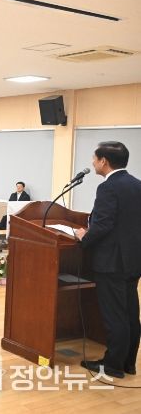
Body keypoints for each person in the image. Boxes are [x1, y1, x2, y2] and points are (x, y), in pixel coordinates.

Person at [76, 141, 141, 379]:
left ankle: (113, 365)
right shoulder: (137, 185)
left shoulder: (108, 187)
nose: (92, 162)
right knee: (130, 313)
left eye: (94, 158)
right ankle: (128, 363)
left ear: (104, 161)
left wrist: (84, 237)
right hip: (133, 260)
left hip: (111, 262)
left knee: (115, 315)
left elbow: (103, 224)